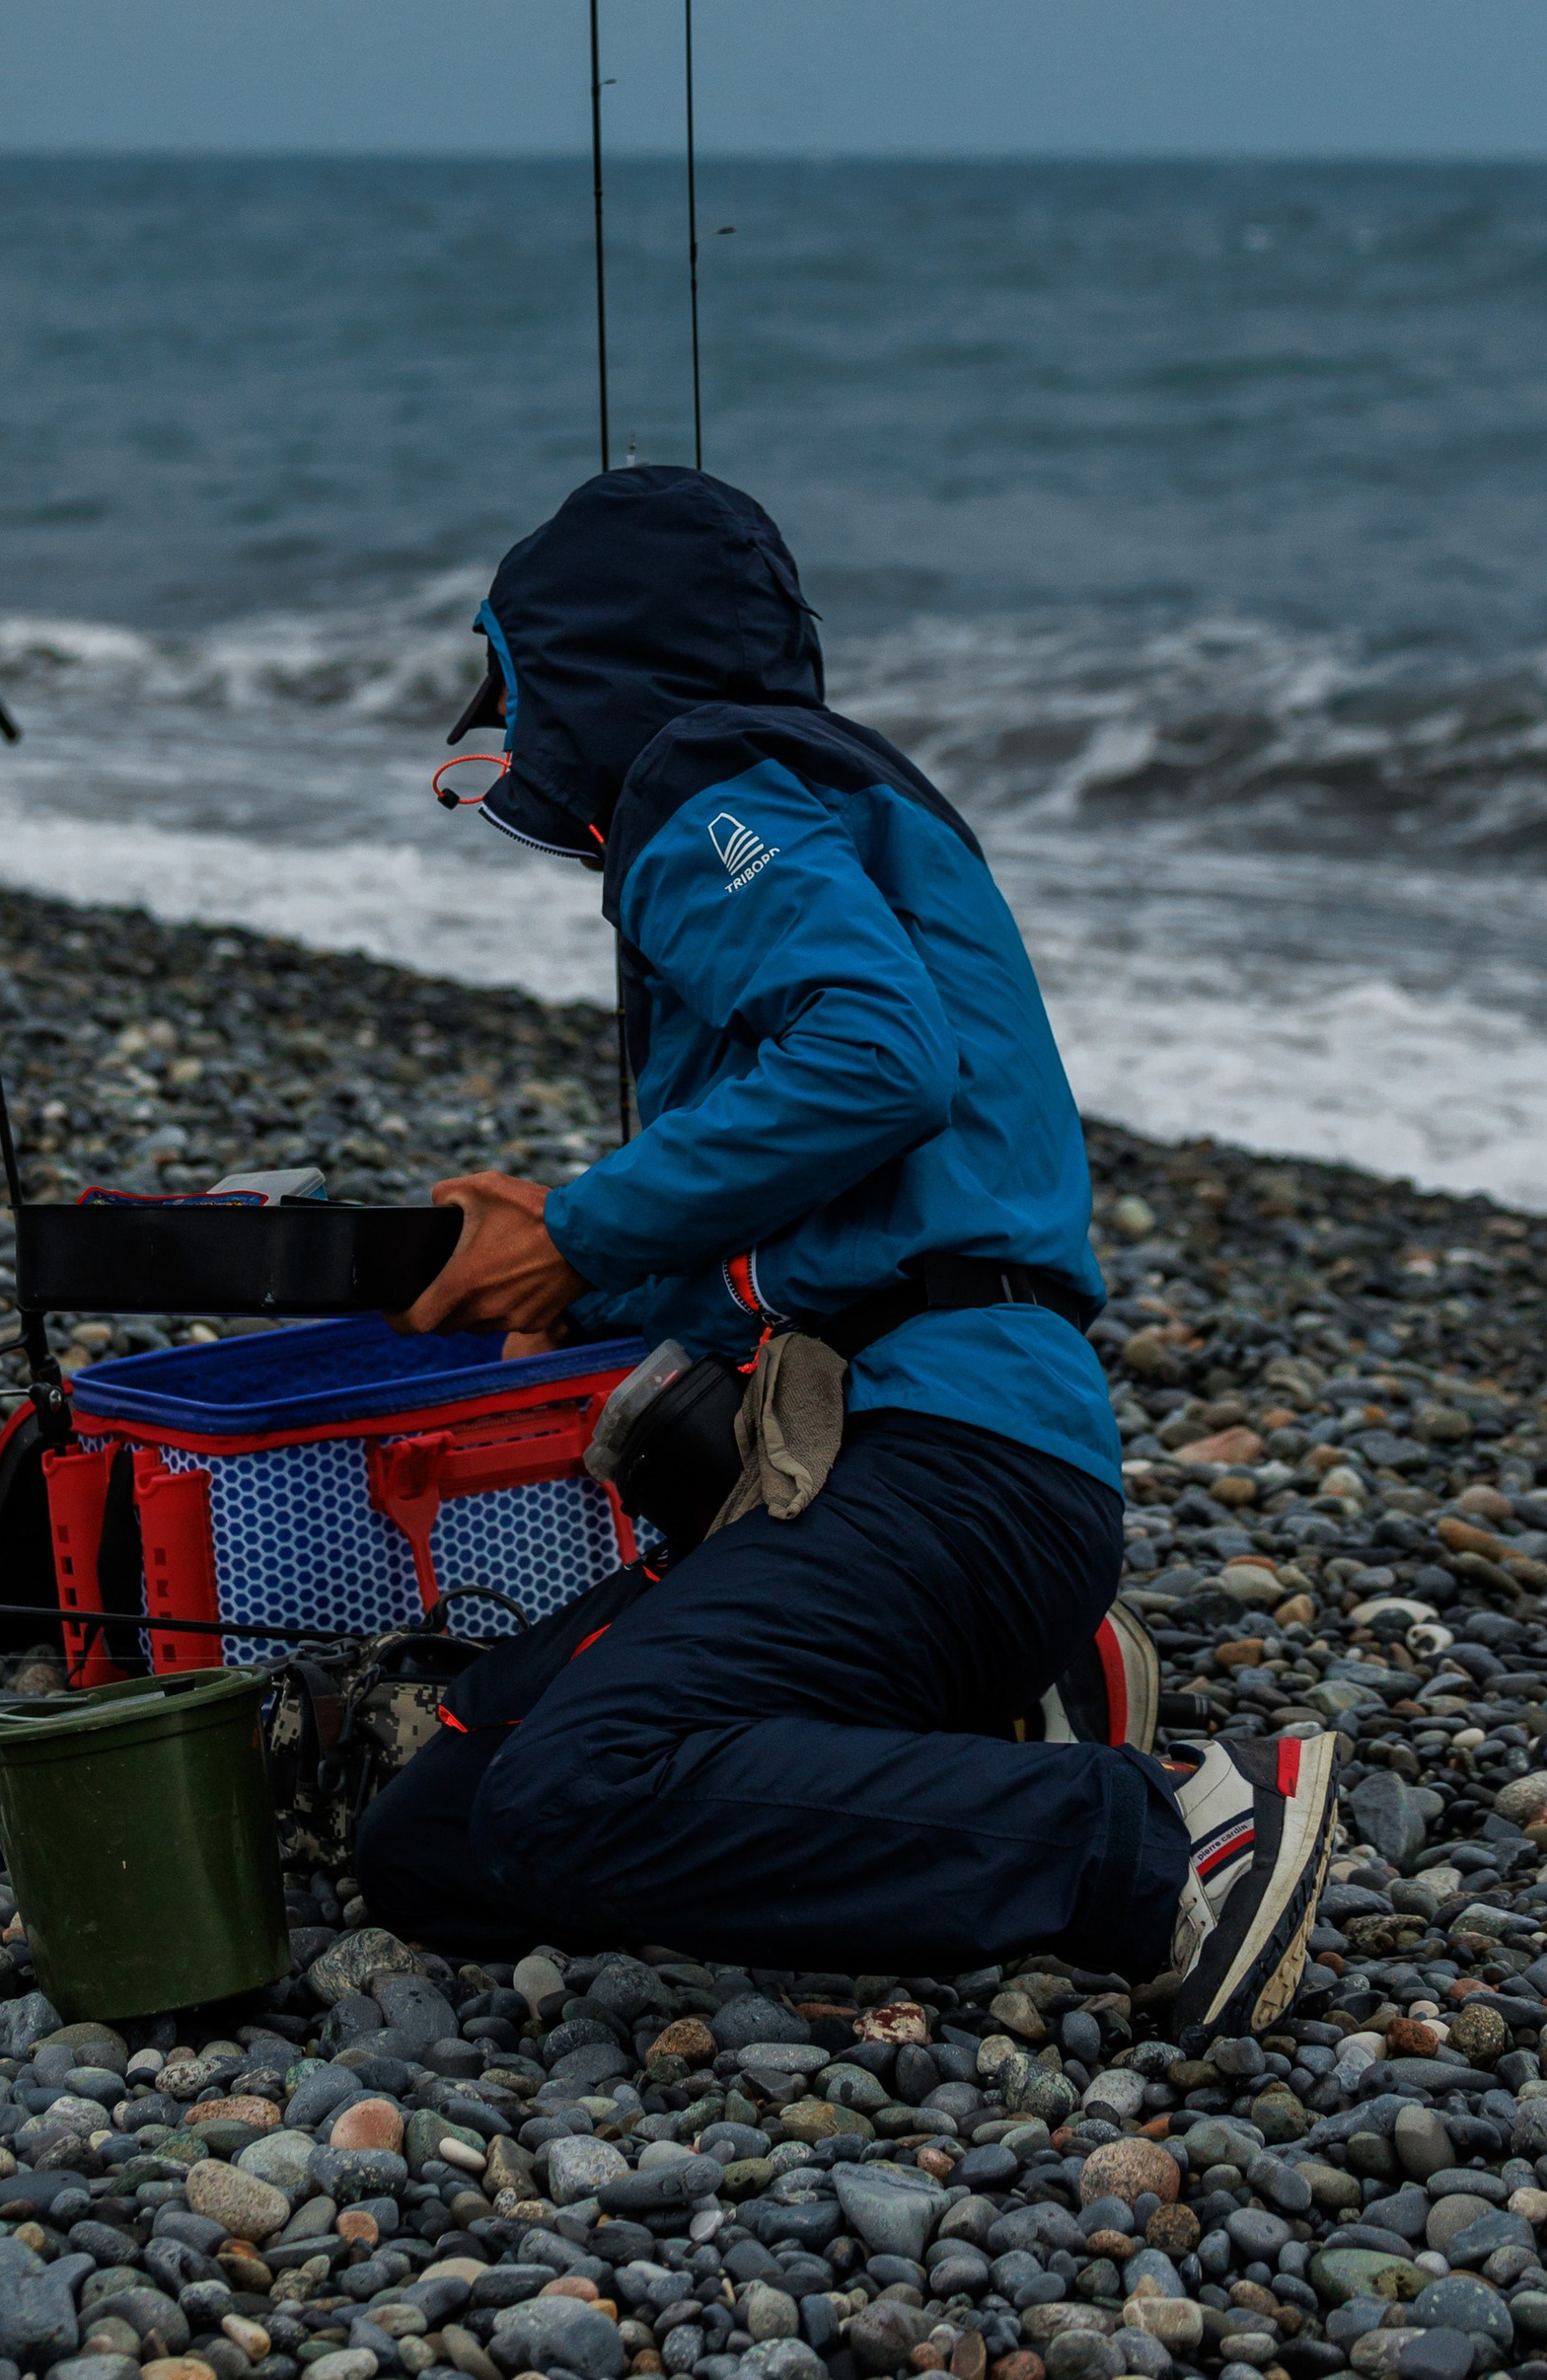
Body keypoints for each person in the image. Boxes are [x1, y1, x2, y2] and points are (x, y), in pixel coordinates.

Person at [362, 465, 1336, 2029]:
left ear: (578, 669)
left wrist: (583, 1225)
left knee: (571, 1795)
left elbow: (878, 1058)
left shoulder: (704, 785)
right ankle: (991, 1734)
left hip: (946, 1459)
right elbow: (830, 1205)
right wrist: (579, 1274)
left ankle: (1158, 1840)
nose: (517, 723)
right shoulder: (799, 799)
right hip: (940, 1464)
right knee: (434, 1843)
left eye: (521, 681)